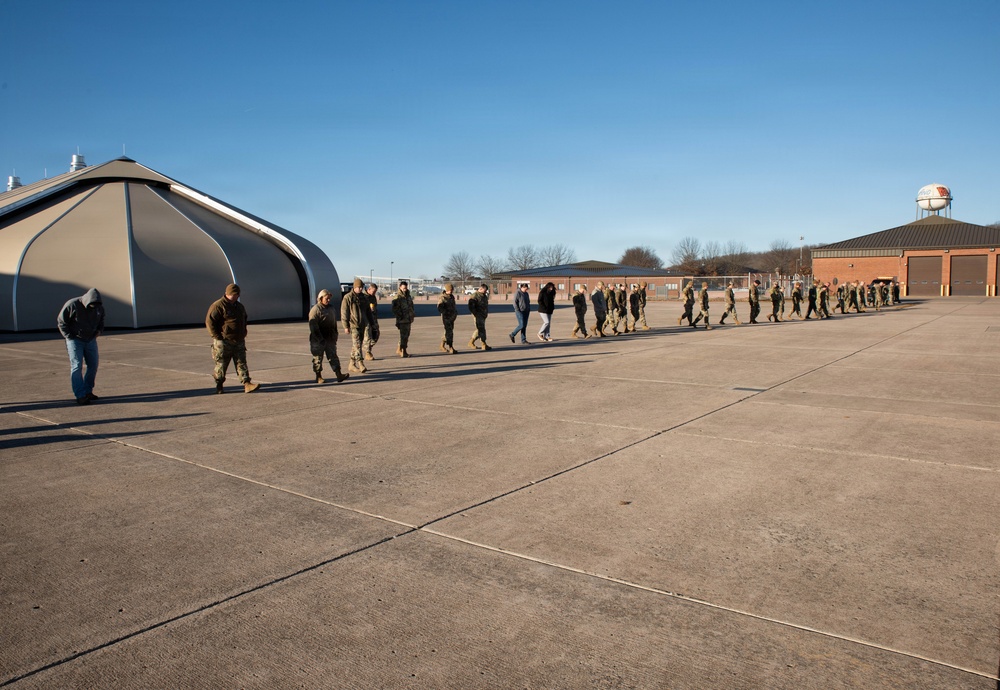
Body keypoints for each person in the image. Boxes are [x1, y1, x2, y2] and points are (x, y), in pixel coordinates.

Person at [206, 283, 261, 393]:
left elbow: (244, 318)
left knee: (241, 362)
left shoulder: (239, 307)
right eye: (233, 294)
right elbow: (210, 322)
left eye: (237, 294)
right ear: (227, 294)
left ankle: (247, 383)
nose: (235, 296)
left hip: (238, 340)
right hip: (224, 341)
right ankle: (219, 385)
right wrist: (217, 337)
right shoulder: (218, 306)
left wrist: (244, 331)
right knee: (221, 365)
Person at [57, 287, 105, 404]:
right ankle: (80, 394)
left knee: (93, 365)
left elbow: (101, 320)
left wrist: (99, 331)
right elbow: (61, 322)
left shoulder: (99, 308)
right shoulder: (72, 304)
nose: (93, 307)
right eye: (91, 305)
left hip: (91, 339)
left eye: (96, 305)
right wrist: (69, 336)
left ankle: (88, 391)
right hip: (75, 340)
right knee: (77, 366)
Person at [308, 289, 348, 384]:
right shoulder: (315, 310)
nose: (328, 300)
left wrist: (335, 334)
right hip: (318, 339)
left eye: (329, 298)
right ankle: (318, 376)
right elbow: (313, 326)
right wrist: (319, 339)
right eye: (326, 298)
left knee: (333, 356)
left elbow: (334, 323)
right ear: (321, 298)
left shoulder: (331, 308)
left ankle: (339, 374)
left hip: (330, 338)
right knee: (318, 358)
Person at [341, 278, 368, 372]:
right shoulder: (348, 297)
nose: (360, 289)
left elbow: (368, 311)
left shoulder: (364, 298)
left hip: (362, 324)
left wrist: (371, 323)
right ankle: (361, 363)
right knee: (357, 345)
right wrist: (345, 326)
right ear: (354, 287)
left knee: (356, 345)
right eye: (358, 287)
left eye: (361, 287)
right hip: (353, 324)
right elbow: (344, 312)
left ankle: (352, 364)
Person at [391, 280, 415, 357]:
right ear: (400, 287)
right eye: (403, 288)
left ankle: (399, 349)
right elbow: (394, 309)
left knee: (406, 335)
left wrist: (412, 315)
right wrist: (400, 316)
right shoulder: (398, 297)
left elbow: (411, 306)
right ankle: (403, 351)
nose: (405, 289)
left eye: (406, 288)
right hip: (402, 320)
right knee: (403, 336)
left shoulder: (408, 296)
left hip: (408, 319)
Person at [468, 283, 492, 351]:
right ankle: (483, 344)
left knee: (479, 329)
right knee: (481, 329)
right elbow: (471, 306)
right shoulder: (475, 295)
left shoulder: (484, 296)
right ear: (480, 288)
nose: (485, 292)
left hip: (483, 315)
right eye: (484, 290)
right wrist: (475, 313)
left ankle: (471, 342)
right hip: (478, 315)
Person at [437, 283, 459, 353]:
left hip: (452, 317)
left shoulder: (451, 297)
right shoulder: (443, 297)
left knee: (448, 331)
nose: (451, 291)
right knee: (450, 332)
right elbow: (439, 307)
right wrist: (445, 312)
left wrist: (455, 312)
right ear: (447, 290)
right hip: (446, 317)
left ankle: (442, 345)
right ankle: (451, 347)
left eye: (452, 289)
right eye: (450, 290)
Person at [362, 283, 380, 360]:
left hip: (373, 319)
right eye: (373, 291)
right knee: (367, 336)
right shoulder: (363, 297)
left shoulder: (373, 297)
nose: (374, 293)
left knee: (376, 334)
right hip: (366, 320)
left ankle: (368, 348)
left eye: (375, 291)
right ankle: (367, 352)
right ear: (369, 289)